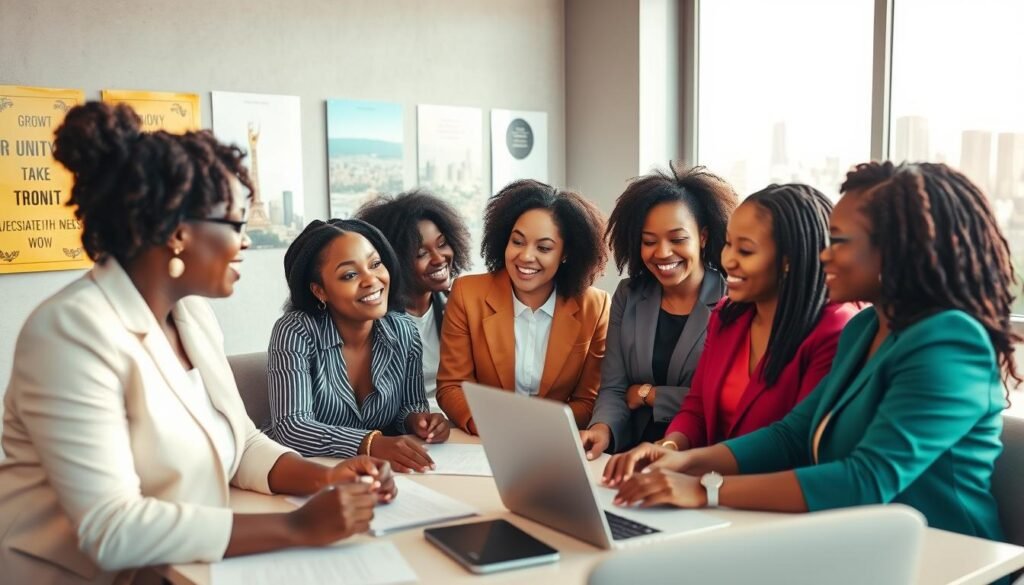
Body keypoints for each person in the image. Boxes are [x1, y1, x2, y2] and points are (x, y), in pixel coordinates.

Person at [0, 102, 396, 584]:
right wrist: (295, 526)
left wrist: (325, 478)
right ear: (177, 234)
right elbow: (110, 528)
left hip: (183, 568)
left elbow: (243, 443)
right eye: (234, 224)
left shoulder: (192, 315)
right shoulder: (70, 332)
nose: (246, 242)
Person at [605, 162, 1017, 542]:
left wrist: (704, 489)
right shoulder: (864, 329)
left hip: (946, 556)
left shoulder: (949, 342)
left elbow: (867, 479)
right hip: (860, 543)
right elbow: (793, 435)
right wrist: (685, 462)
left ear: (893, 250)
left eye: (838, 242)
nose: (822, 254)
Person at [599, 183, 856, 465]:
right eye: (729, 245)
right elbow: (697, 407)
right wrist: (669, 447)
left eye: (745, 251)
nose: (728, 260)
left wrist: (698, 477)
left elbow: (795, 441)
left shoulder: (835, 329)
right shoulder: (728, 315)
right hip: (711, 479)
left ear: (788, 260)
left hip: (763, 492)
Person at [267, 218, 450, 473]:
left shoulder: (404, 330)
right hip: (306, 475)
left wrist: (419, 420)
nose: (371, 280)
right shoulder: (296, 330)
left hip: (379, 475)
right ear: (320, 291)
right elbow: (292, 427)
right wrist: (369, 443)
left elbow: (410, 404)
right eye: (350, 275)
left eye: (375, 264)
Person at [581, 165, 737, 456]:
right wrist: (602, 429)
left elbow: (721, 402)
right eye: (649, 241)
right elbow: (614, 388)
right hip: (628, 451)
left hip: (698, 456)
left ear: (703, 237)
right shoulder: (628, 295)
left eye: (677, 239)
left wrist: (649, 395)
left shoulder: (734, 301)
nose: (662, 252)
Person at [436, 179, 610, 435]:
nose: (526, 256)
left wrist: (533, 428)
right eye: (517, 242)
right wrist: (489, 426)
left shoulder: (595, 307)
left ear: (565, 254)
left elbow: (588, 401)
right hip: (483, 437)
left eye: (544, 248)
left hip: (552, 440)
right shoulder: (467, 294)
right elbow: (452, 385)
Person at [355, 190, 471, 410]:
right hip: (406, 429)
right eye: (421, 254)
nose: (439, 259)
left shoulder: (458, 305)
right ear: (392, 261)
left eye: (442, 244)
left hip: (459, 420)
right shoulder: (373, 321)